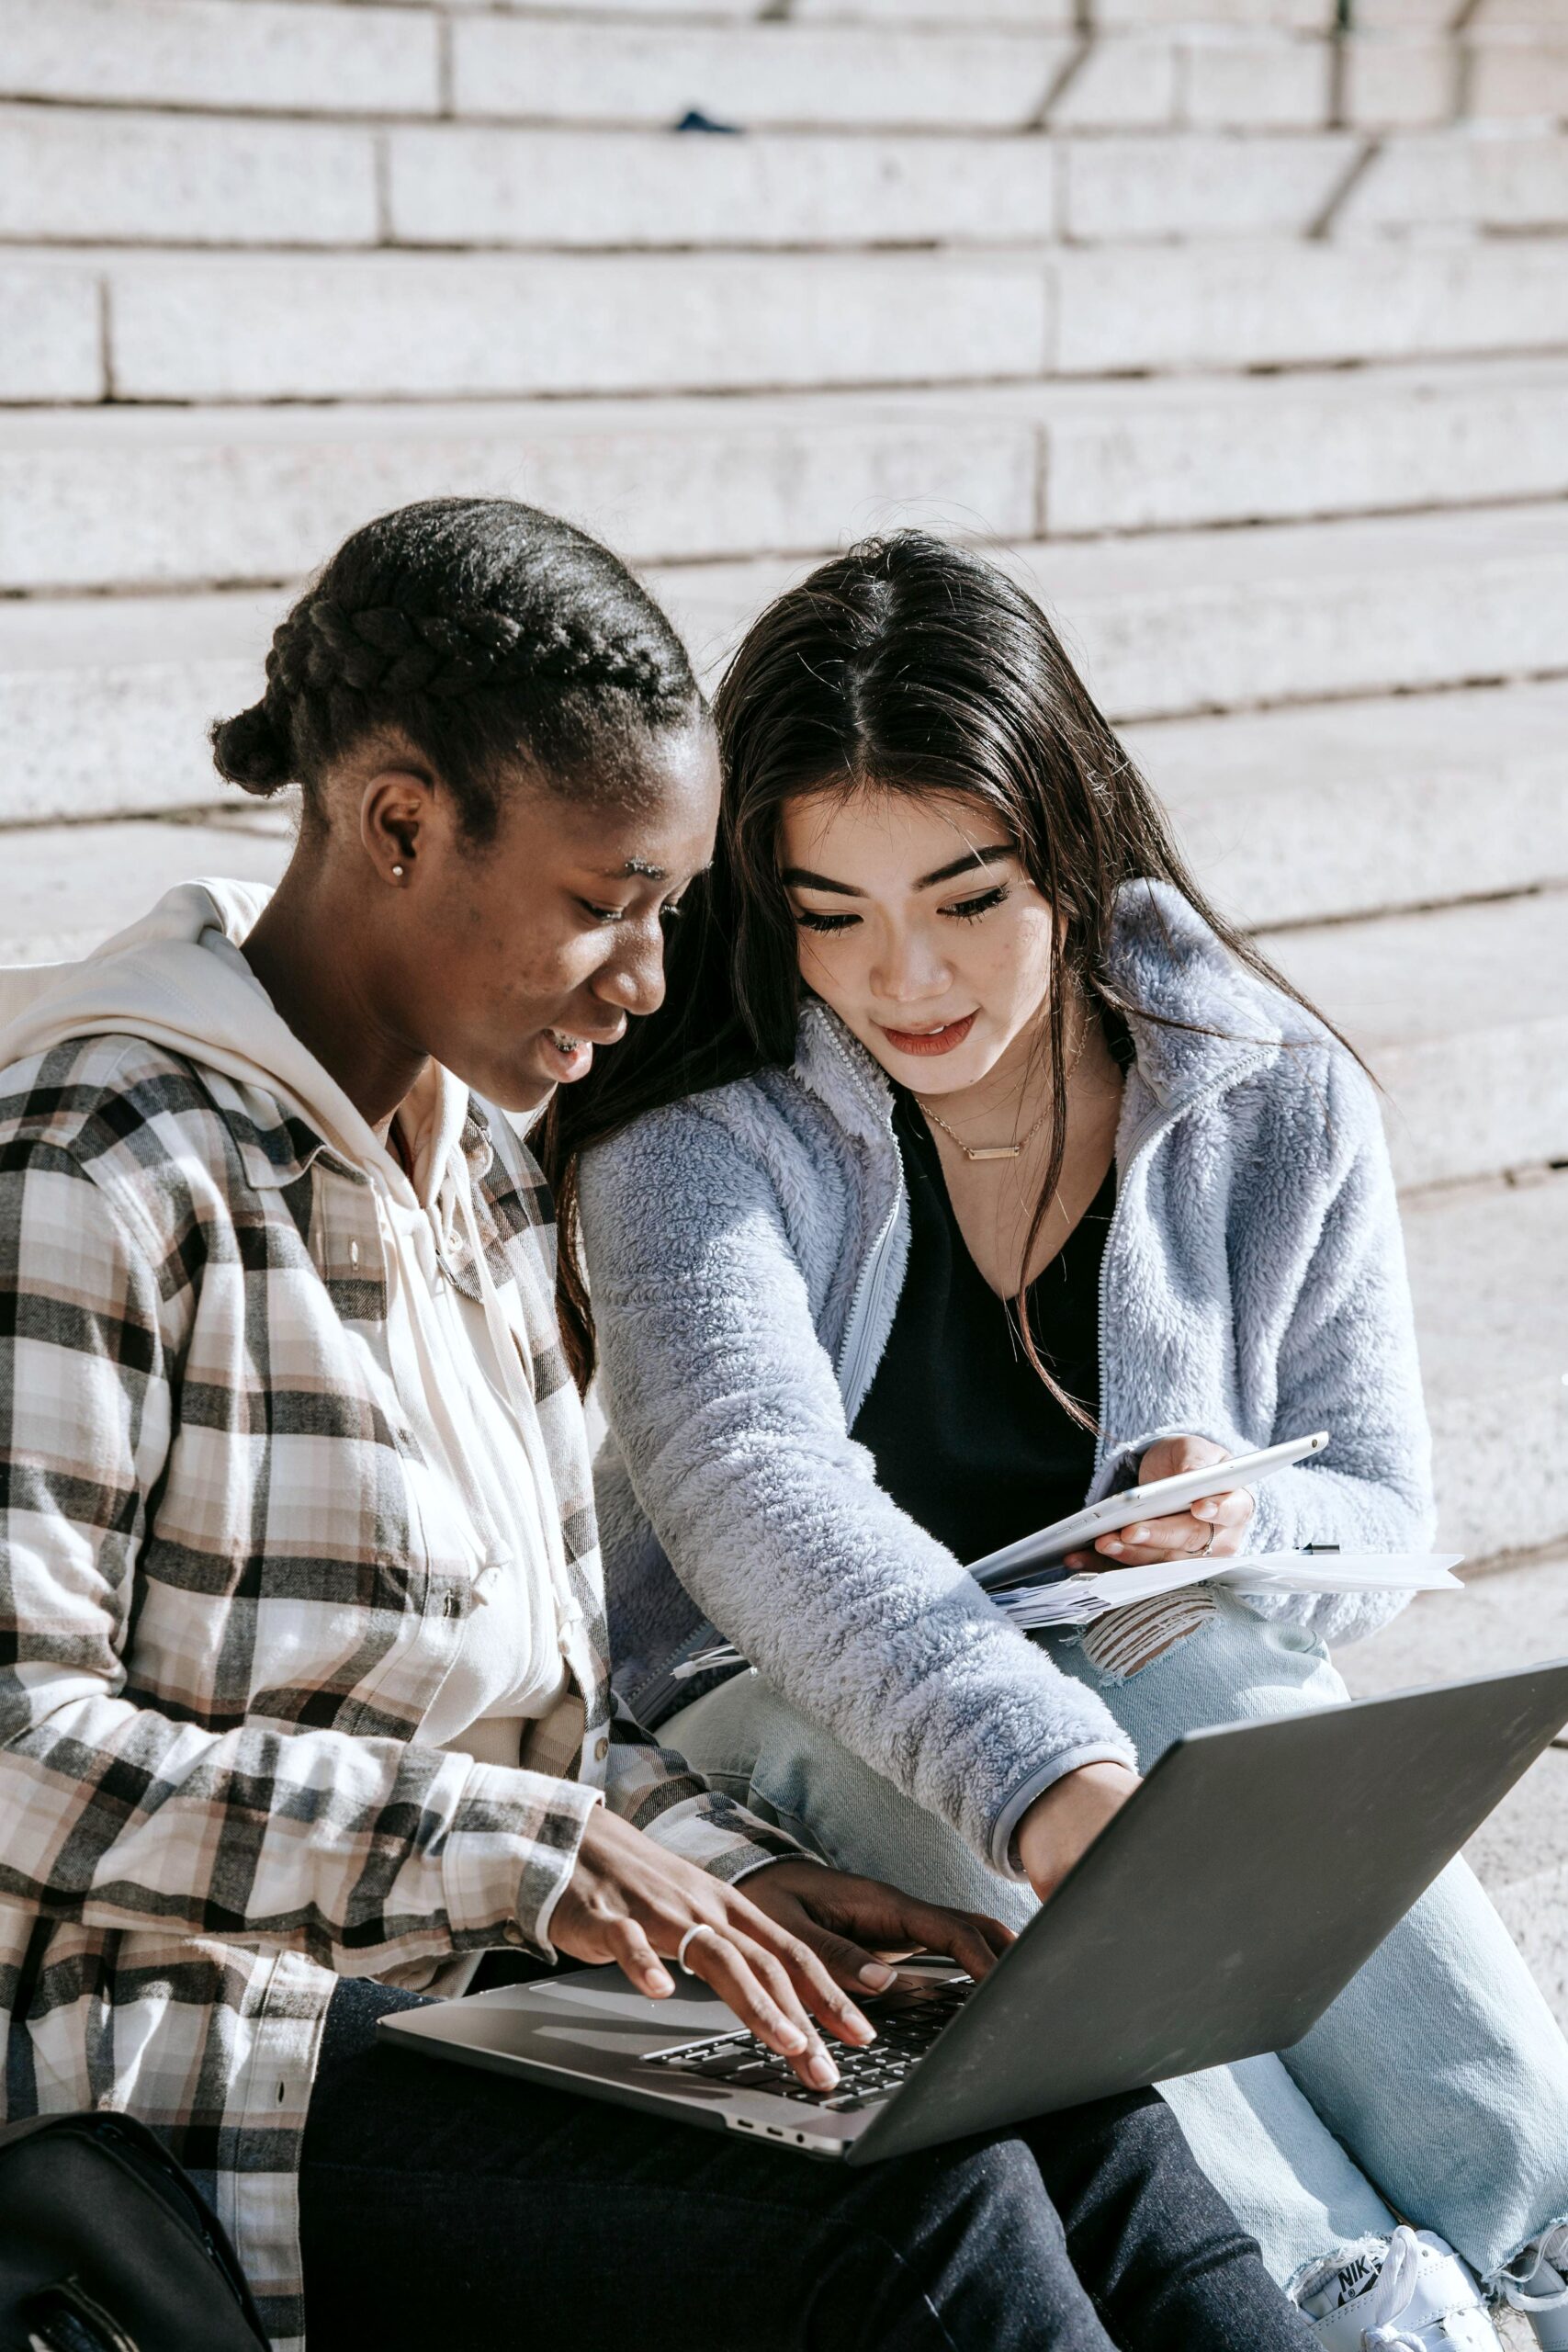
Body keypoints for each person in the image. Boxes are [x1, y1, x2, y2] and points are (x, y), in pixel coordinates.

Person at [0, 499, 1322, 2352]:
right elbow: (24, 1752)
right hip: (208, 2067)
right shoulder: (100, 1158)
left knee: (1041, 2078)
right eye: (601, 905)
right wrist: (532, 1858)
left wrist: (740, 1878)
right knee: (910, 2194)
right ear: (396, 822)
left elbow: (545, 1737)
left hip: (491, 2003)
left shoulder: (479, 1179)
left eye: (669, 914)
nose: (644, 982)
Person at [550, 530, 1568, 2352]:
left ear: (1066, 839)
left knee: (1223, 1674)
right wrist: (1041, 1773)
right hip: (784, 1702)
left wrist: (1230, 1520)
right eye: (830, 910)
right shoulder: (698, 1146)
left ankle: (1537, 2244)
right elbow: (757, 1503)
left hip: (1137, 1687)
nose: (905, 975)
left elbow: (1373, 1499)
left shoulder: (1257, 1094)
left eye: (966, 893)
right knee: (1007, 1789)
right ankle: (1323, 2298)